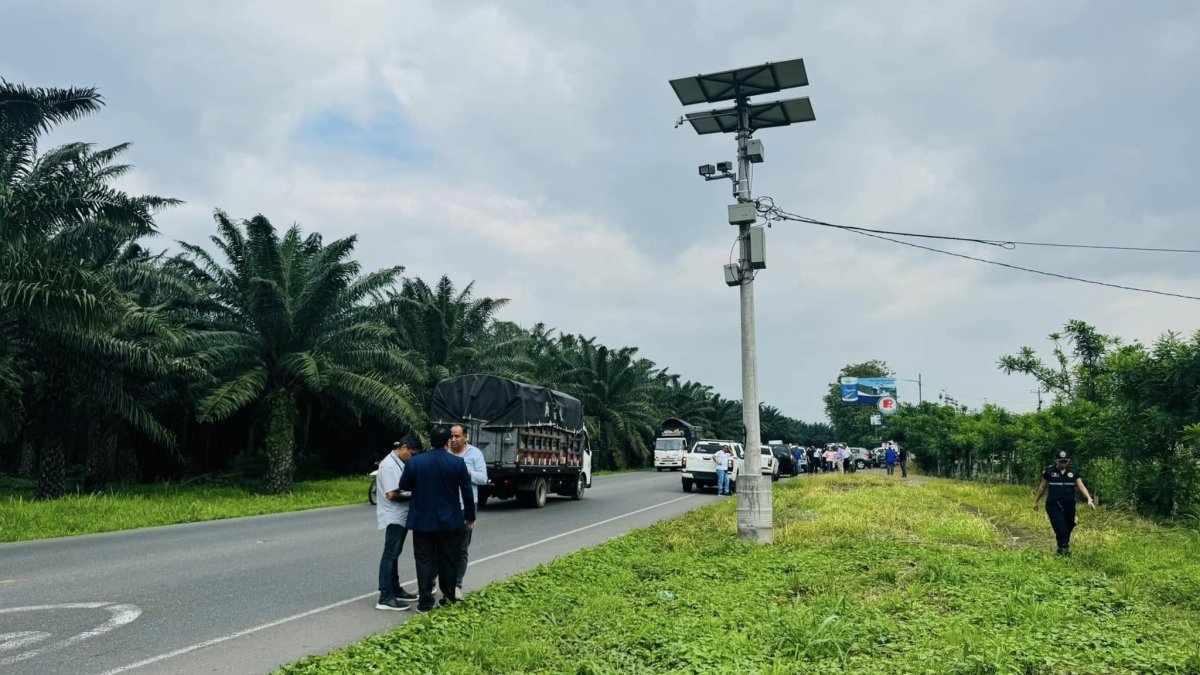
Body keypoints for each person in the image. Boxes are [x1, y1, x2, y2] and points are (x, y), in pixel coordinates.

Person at [397, 425, 477, 613]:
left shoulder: (416, 462)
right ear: (448, 442)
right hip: (450, 521)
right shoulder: (457, 463)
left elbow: (404, 484)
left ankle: (425, 602)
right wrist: (470, 517)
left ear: (430, 442)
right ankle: (448, 597)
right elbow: (467, 492)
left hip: (422, 520)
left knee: (424, 560)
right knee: (448, 559)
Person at [374, 438, 420, 610]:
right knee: (390, 554)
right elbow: (392, 495)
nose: (412, 458)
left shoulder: (398, 462)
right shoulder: (389, 466)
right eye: (412, 454)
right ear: (404, 448)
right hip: (394, 516)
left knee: (395, 554)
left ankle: (395, 589)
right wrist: (414, 495)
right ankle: (385, 596)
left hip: (401, 515)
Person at [448, 424, 488, 601]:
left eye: (457, 436)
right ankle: (434, 583)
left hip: (467, 505)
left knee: (462, 547)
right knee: (442, 546)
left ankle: (457, 585)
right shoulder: (445, 452)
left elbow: (483, 478)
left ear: (466, 437)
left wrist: (465, 472)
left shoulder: (475, 454)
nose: (454, 440)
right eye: (452, 436)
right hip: (447, 505)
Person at [1033, 450, 1095, 556]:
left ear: (1068, 462)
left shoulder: (1074, 472)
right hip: (1053, 505)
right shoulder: (1049, 471)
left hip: (1069, 505)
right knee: (1060, 526)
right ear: (1056, 461)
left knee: (1069, 525)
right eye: (1061, 461)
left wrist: (1089, 498)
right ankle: (1064, 549)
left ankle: (1062, 546)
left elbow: (1081, 486)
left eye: (1065, 461)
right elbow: (1042, 487)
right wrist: (1036, 501)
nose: (1063, 464)